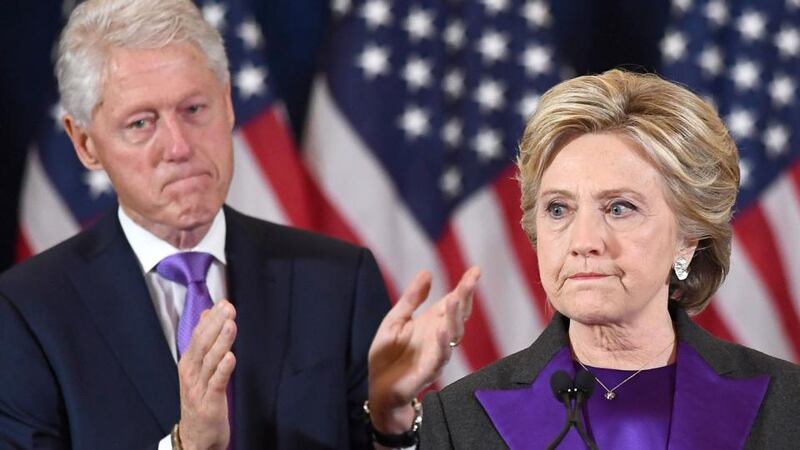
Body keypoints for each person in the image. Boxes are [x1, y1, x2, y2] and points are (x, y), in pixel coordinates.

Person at [0, 0, 480, 448]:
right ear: (84, 143)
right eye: (141, 123)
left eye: (194, 109)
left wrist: (390, 418)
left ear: (227, 104)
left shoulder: (336, 280)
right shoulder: (27, 314)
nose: (179, 146)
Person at [420, 69, 800, 449]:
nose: (583, 241)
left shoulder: (789, 406)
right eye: (558, 209)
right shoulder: (458, 419)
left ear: (687, 238)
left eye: (619, 208)